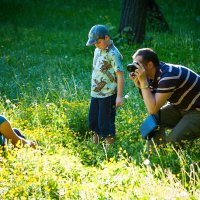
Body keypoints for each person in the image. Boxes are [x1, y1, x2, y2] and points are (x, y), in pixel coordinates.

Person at [128, 48, 200, 147]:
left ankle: (176, 159)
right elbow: (151, 103)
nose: (135, 68)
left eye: (138, 65)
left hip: (197, 110)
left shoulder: (169, 75)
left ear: (149, 65)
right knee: (153, 122)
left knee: (173, 140)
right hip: (181, 107)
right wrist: (141, 86)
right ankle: (154, 156)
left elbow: (152, 108)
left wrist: (144, 83)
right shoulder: (151, 76)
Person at [86, 24, 124, 145]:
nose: (96, 45)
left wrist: (119, 96)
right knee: (93, 121)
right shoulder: (98, 50)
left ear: (106, 38)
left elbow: (120, 75)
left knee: (105, 122)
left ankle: (110, 148)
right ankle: (95, 145)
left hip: (108, 94)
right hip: (96, 93)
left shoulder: (113, 53)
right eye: (94, 43)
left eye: (98, 42)